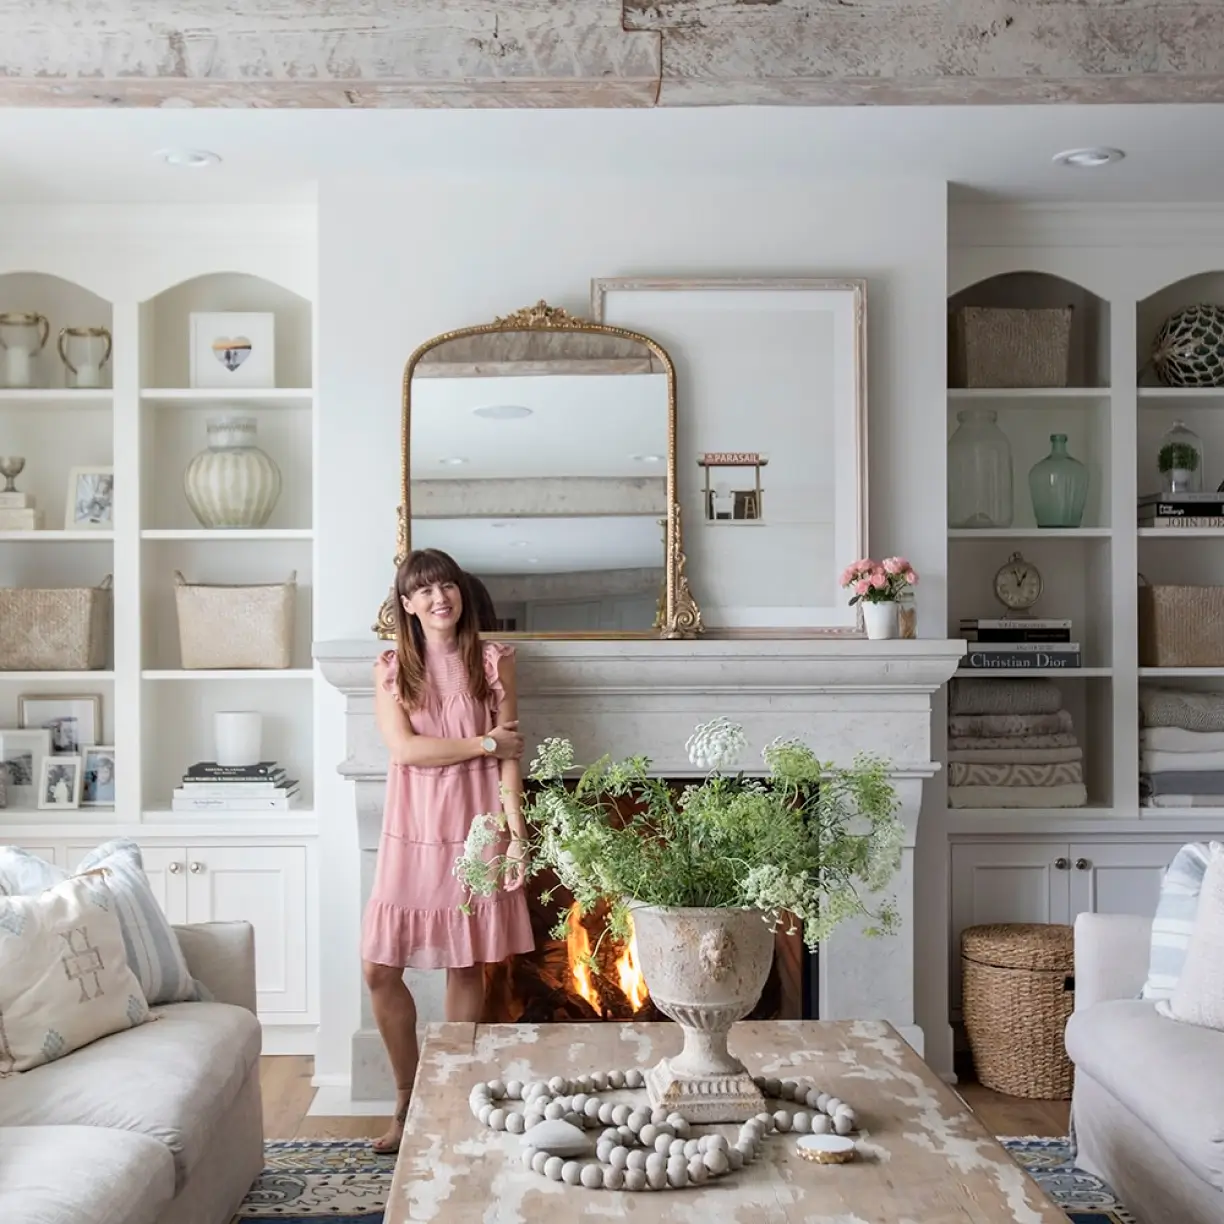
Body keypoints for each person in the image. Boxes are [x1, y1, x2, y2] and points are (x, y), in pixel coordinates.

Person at [363, 548, 534, 1154]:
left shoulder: (493, 661)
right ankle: (406, 1097)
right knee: (378, 969)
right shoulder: (391, 669)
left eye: (448, 586)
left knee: (466, 964)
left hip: (476, 823)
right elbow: (405, 750)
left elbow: (512, 756)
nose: (440, 598)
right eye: (426, 590)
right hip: (412, 827)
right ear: (407, 605)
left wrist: (517, 834)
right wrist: (484, 742)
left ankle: (449, 1099)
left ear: (462, 593)